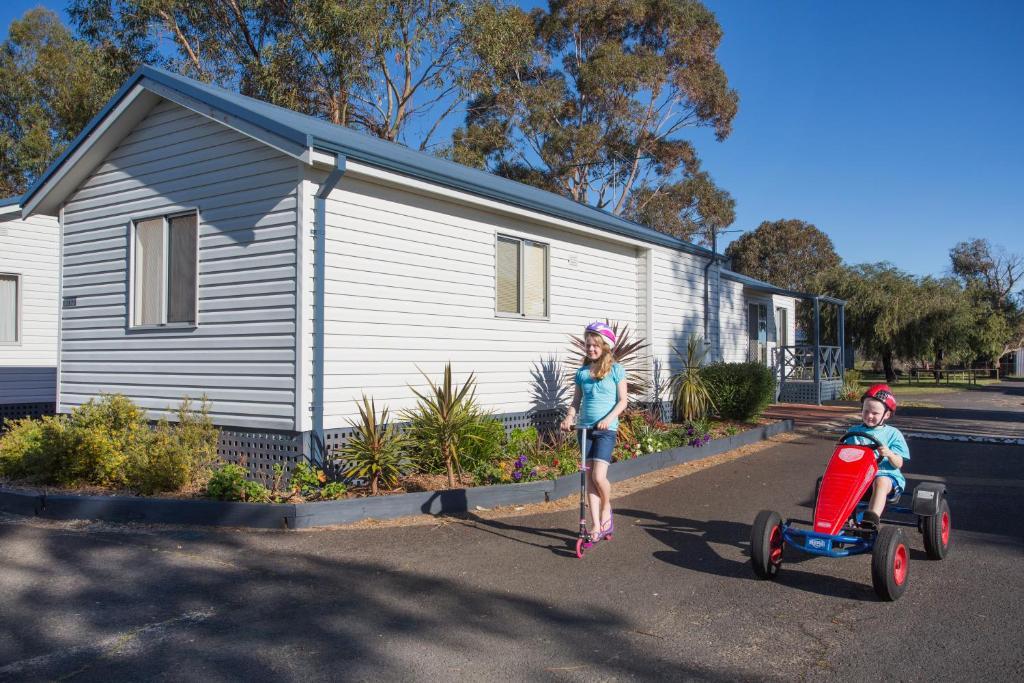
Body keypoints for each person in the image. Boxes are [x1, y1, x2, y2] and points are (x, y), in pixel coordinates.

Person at [559, 321, 628, 543]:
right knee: (589, 479)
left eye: (595, 345)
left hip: (606, 430)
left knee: (599, 476)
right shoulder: (581, 373)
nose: (591, 349)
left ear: (605, 346)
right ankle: (597, 525)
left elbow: (623, 401)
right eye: (588, 345)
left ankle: (606, 507)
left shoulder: (616, 370)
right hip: (585, 430)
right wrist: (569, 417)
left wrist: (608, 419)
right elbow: (576, 401)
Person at [846, 383, 909, 529]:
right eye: (866, 411)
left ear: (886, 415)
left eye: (875, 413)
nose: (869, 416)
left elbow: (899, 463)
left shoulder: (893, 434)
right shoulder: (854, 431)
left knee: (880, 481)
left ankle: (870, 520)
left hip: (886, 476)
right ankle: (837, 518)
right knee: (837, 479)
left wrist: (889, 454)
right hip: (860, 476)